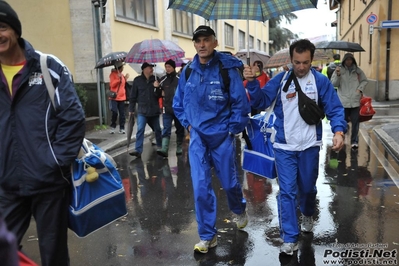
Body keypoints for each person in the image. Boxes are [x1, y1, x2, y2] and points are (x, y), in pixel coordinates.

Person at [0, 2, 86, 265]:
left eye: (1, 27)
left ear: (15, 30)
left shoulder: (48, 67)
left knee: (54, 255)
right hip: (6, 185)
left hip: (48, 183)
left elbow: (72, 118)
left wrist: (54, 162)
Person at [243, 39, 347, 256]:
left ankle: (308, 213)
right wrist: (252, 83)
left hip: (310, 146)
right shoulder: (280, 81)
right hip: (284, 147)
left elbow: (335, 108)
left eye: (306, 62)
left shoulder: (320, 81)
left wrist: (338, 131)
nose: (301, 67)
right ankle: (289, 237)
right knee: (288, 192)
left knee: (307, 189)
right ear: (291, 60)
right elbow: (260, 102)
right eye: (297, 62)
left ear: (312, 60)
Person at [173, 25, 251, 254]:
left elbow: (240, 104)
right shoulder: (187, 71)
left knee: (229, 184)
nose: (202, 45)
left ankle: (239, 209)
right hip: (198, 137)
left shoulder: (227, 70)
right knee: (200, 187)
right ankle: (208, 236)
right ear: (194, 44)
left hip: (222, 137)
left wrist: (231, 129)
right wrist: (188, 124)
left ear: (215, 43)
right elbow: (178, 104)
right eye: (198, 41)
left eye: (206, 40)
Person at [331, 53, 368, 149]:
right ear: (344, 60)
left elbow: (364, 80)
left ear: (353, 60)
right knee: (342, 122)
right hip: (343, 101)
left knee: (355, 123)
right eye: (347, 60)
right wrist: (338, 75)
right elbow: (334, 83)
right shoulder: (339, 70)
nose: (349, 61)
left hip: (355, 101)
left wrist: (359, 89)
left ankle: (354, 141)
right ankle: (340, 139)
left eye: (350, 60)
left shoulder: (357, 70)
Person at [128, 62, 162, 158]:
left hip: (154, 110)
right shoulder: (137, 80)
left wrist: (157, 87)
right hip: (142, 111)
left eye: (152, 67)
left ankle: (160, 146)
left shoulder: (156, 80)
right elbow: (133, 96)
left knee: (158, 130)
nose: (152, 69)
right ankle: (138, 150)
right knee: (140, 130)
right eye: (150, 68)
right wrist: (131, 109)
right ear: (144, 69)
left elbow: (159, 95)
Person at [155, 59, 184, 157]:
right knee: (166, 128)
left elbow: (185, 92)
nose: (167, 69)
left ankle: (179, 147)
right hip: (166, 108)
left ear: (173, 67)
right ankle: (164, 149)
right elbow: (157, 94)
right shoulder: (162, 80)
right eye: (166, 67)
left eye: (169, 67)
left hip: (178, 109)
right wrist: (157, 88)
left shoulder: (179, 78)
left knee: (179, 128)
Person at [109, 61, 129, 134]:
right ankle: (113, 126)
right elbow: (112, 85)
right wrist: (118, 78)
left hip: (122, 97)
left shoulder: (122, 75)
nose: (123, 68)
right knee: (114, 112)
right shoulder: (113, 75)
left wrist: (125, 78)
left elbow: (122, 85)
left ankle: (122, 128)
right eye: (122, 66)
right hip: (114, 97)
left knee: (122, 113)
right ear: (119, 67)